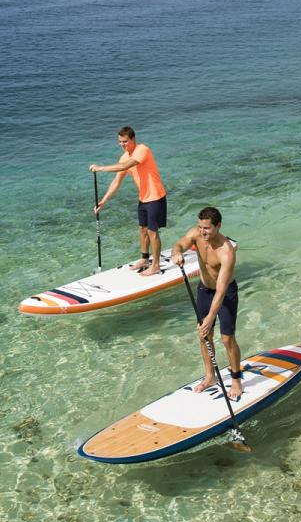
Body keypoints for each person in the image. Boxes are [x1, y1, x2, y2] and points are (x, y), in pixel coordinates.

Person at [171, 207, 243, 399]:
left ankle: (236, 380)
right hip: (204, 290)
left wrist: (211, 317)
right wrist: (177, 253)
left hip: (225, 293)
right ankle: (210, 376)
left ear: (218, 226)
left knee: (227, 338)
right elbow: (179, 244)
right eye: (201, 227)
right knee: (204, 335)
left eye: (207, 228)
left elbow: (221, 290)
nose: (203, 232)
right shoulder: (196, 235)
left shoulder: (226, 251)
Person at [90, 126, 168, 276]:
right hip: (143, 198)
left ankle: (156, 265)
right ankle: (145, 259)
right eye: (120, 142)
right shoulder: (124, 157)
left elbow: (126, 166)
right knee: (142, 229)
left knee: (152, 232)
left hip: (156, 197)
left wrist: (100, 168)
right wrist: (103, 201)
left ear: (133, 139)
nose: (122, 145)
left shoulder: (142, 150)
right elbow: (117, 182)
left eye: (125, 141)